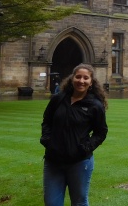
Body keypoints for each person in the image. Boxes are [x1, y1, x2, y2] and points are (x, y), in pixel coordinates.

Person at [41, 64, 108, 206]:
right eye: (78, 77)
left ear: (91, 82)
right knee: (51, 203)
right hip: (54, 161)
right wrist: (47, 140)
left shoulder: (95, 106)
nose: (81, 81)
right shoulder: (58, 99)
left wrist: (86, 147)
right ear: (72, 78)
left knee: (79, 202)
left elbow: (101, 131)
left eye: (85, 78)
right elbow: (47, 121)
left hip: (79, 162)